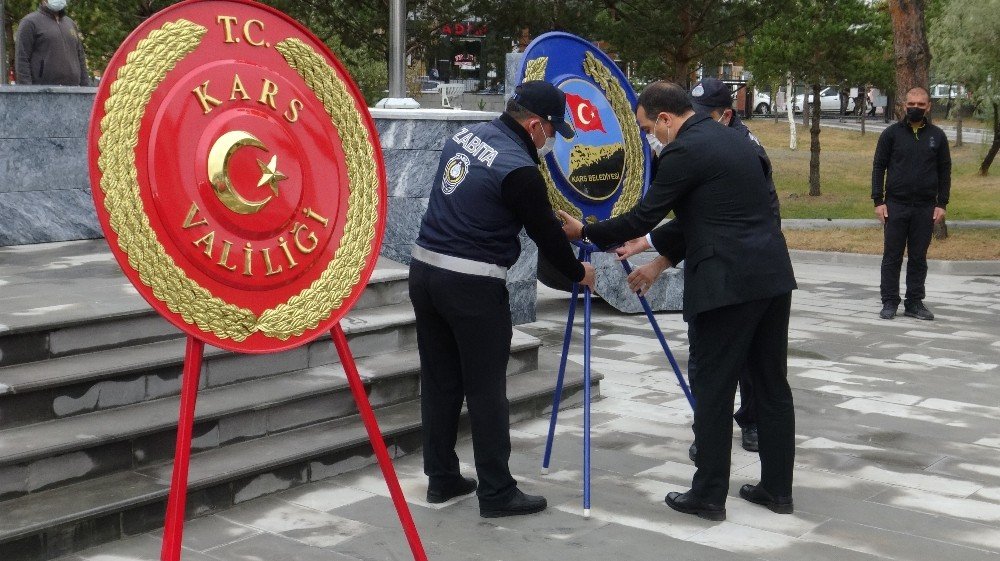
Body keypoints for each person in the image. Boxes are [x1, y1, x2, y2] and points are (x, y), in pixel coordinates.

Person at [560, 80, 796, 521]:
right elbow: (709, 216)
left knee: (712, 388)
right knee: (771, 388)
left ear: (666, 119)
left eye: (648, 127)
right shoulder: (736, 139)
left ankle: (707, 496)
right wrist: (659, 262)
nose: (651, 136)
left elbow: (644, 216)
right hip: (771, 277)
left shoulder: (685, 150)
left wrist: (587, 231)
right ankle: (777, 490)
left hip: (726, 286)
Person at [410, 80, 596, 518]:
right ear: (534, 125)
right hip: (472, 286)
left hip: (425, 273)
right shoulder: (519, 169)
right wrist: (578, 273)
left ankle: (442, 478)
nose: (551, 140)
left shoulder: (465, 136)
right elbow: (546, 239)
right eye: (551, 131)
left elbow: (483, 200)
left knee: (440, 382)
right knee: (486, 390)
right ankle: (496, 491)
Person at [617, 78, 781, 462]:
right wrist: (658, 257)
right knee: (749, 377)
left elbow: (717, 219)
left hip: (733, 275)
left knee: (720, 373)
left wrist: (599, 233)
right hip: (766, 272)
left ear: (723, 116)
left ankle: (718, 464)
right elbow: (700, 217)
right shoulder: (713, 144)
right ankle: (769, 483)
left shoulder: (734, 148)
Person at [872, 86, 950, 321]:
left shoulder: (937, 136)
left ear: (928, 107)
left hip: (925, 208)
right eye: (911, 104)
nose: (915, 108)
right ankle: (889, 302)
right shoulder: (891, 134)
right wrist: (879, 201)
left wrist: (941, 203)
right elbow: (879, 166)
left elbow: (944, 171)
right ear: (904, 106)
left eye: (920, 105)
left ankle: (914, 302)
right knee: (892, 255)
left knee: (918, 257)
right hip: (895, 205)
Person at [15, 0, 91, 86]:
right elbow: (22, 58)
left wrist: (85, 87)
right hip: (42, 91)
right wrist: (27, 90)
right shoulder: (30, 22)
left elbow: (80, 57)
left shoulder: (70, 23)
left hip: (72, 90)